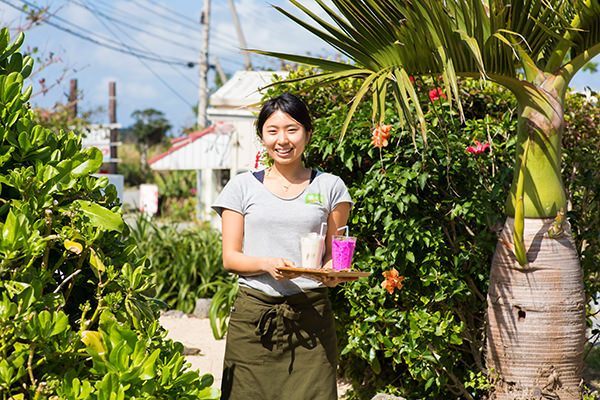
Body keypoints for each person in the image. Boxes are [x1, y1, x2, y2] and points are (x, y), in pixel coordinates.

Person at [212, 92, 353, 400]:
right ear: (261, 136)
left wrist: (331, 272)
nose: (283, 139)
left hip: (312, 315)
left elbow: (338, 254)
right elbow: (230, 257)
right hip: (254, 317)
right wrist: (266, 264)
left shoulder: (331, 187)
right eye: (272, 130)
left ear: (308, 133)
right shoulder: (241, 186)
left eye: (292, 129)